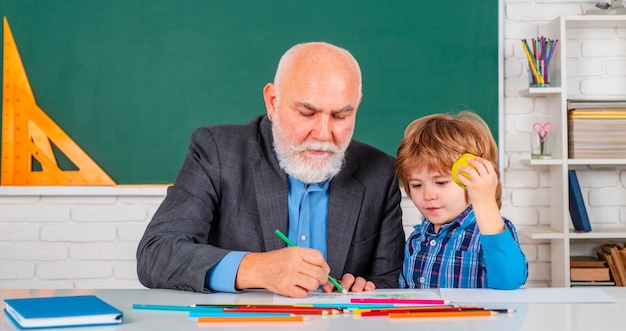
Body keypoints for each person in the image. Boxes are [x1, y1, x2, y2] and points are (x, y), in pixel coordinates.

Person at [136, 42, 405, 298]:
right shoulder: (217, 151)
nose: (324, 134)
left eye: (341, 116)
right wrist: (256, 269)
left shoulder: (379, 173)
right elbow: (156, 254)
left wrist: (364, 287)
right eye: (307, 113)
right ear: (273, 101)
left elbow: (388, 281)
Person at [395, 111, 527, 289]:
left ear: (472, 178)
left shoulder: (489, 232)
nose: (428, 195)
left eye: (441, 182)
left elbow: (509, 281)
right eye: (417, 185)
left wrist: (484, 201)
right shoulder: (416, 239)